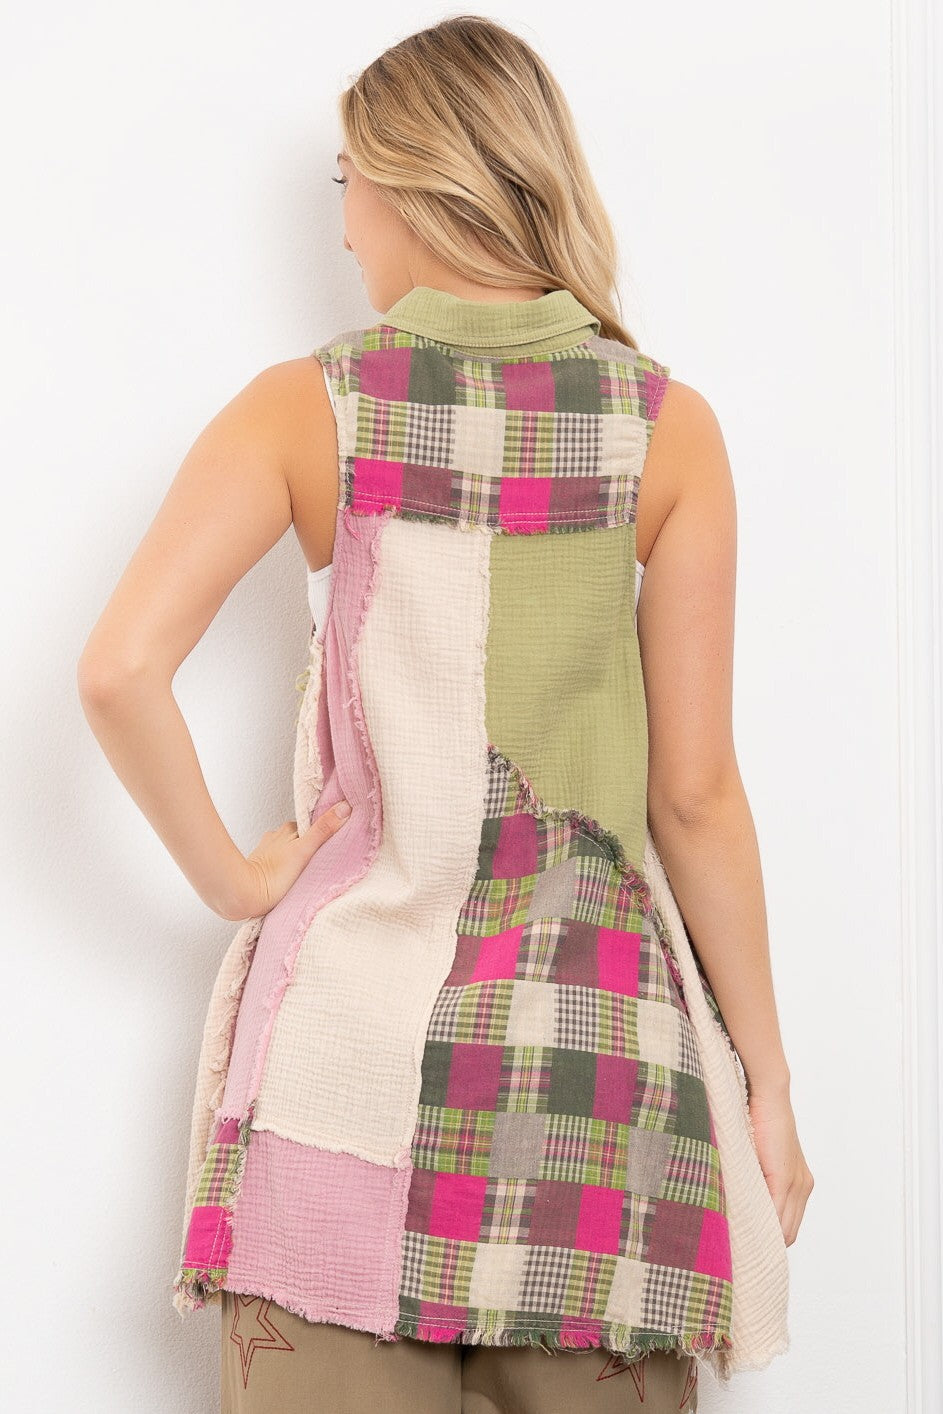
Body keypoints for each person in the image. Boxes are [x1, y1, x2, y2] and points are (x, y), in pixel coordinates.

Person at [77, 14, 813, 1413]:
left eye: (347, 181)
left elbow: (118, 668)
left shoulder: (307, 408)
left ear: (414, 185)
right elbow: (696, 793)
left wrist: (238, 878)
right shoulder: (669, 428)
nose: (345, 222)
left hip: (345, 1057)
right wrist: (765, 1078)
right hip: (596, 1076)